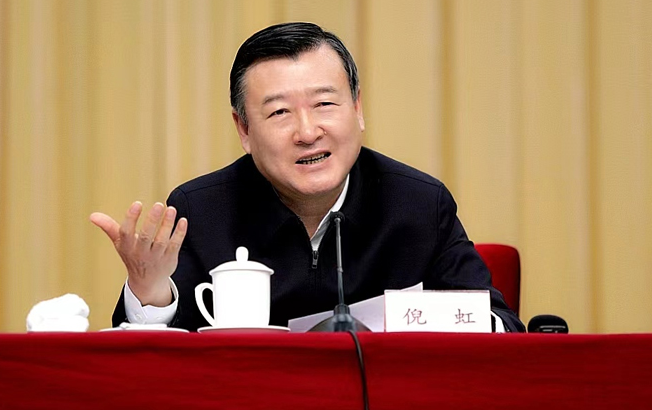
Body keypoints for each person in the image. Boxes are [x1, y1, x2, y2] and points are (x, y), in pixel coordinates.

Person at [90, 22, 525, 332]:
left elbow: (501, 327)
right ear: (244, 130)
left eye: (325, 104)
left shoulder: (418, 203)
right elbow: (153, 370)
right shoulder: (200, 210)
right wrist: (150, 291)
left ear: (357, 109)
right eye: (279, 112)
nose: (307, 132)